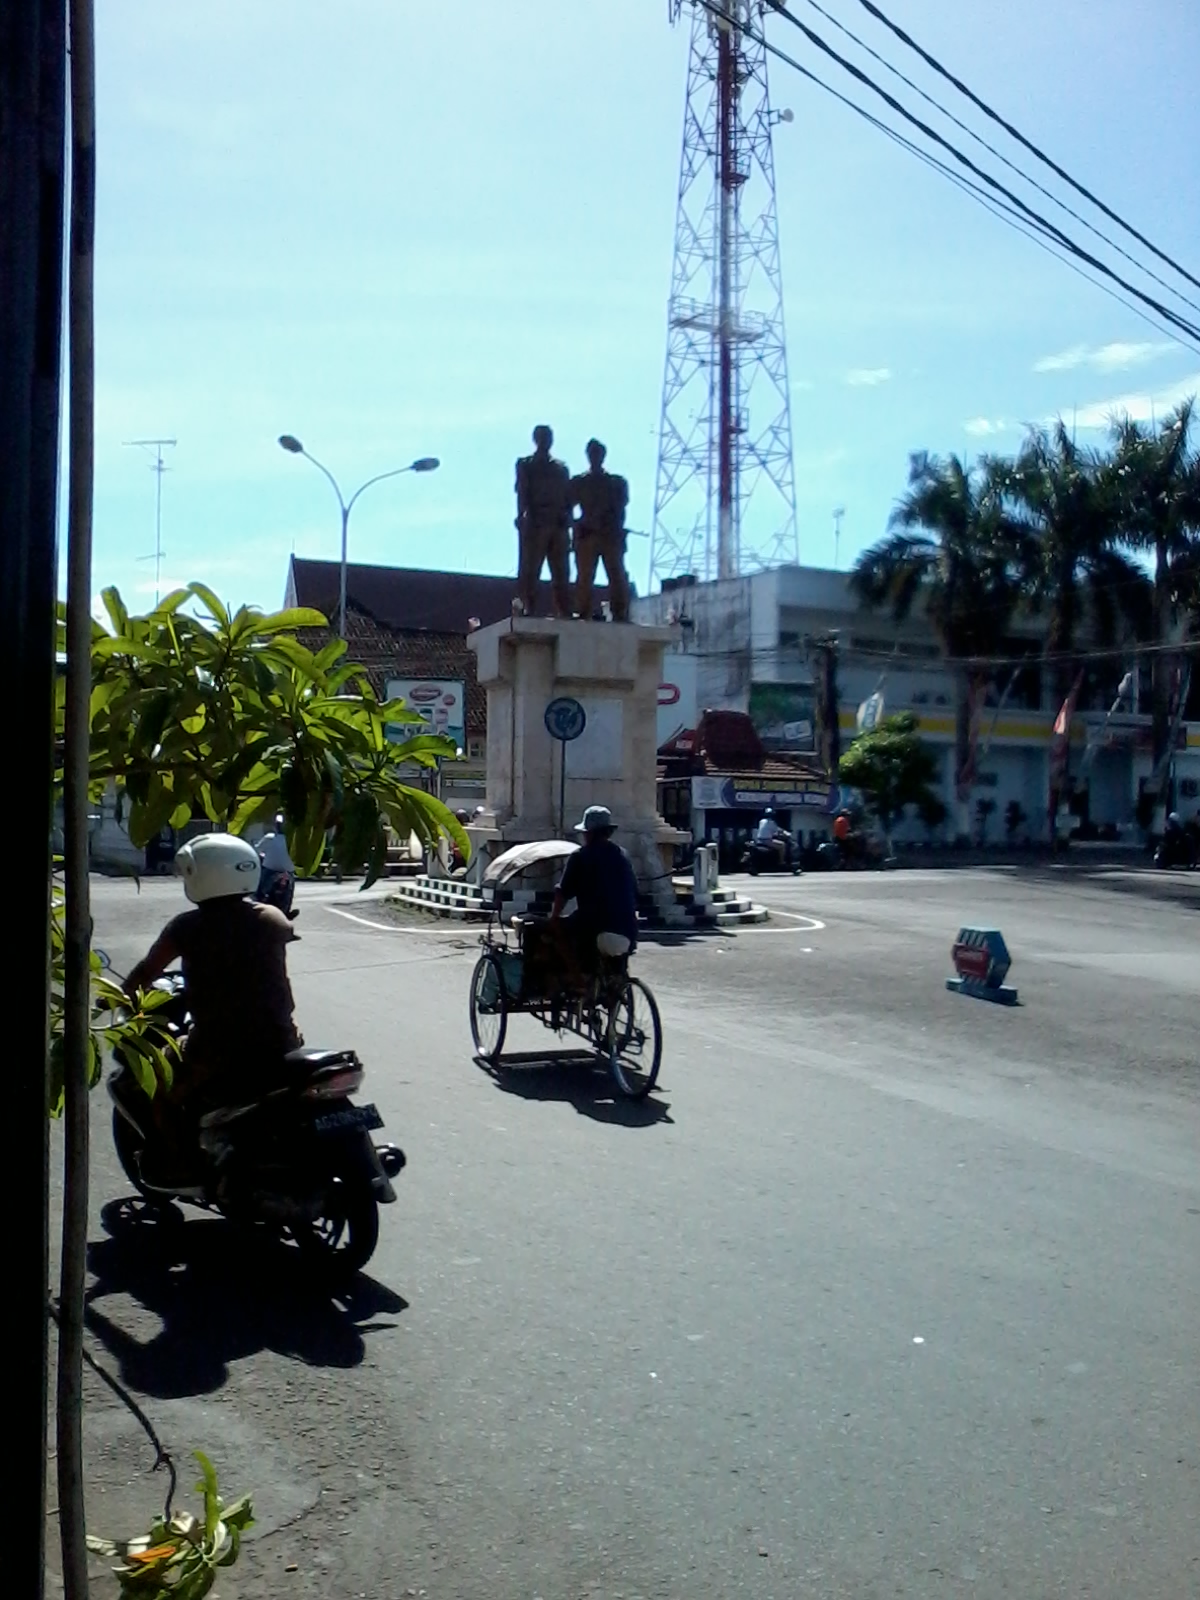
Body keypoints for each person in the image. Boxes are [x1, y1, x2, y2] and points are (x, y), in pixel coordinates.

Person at [124, 833, 303, 1183]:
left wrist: (118, 997)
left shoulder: (187, 927)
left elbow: (147, 972)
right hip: (280, 1042)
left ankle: (179, 1164)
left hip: (216, 1049)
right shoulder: (273, 919)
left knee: (159, 1087)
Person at [548, 805, 639, 986]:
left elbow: (563, 892)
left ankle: (578, 980)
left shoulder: (581, 856)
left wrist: (555, 917)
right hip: (628, 929)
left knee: (559, 933)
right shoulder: (623, 856)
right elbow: (635, 891)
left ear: (589, 833)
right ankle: (614, 986)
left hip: (594, 926)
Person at [569, 439, 630, 622]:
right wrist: (581, 523)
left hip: (609, 535)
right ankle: (583, 611)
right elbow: (566, 508)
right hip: (588, 535)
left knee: (617, 575)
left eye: (598, 453)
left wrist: (609, 524)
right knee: (585, 576)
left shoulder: (616, 482)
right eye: (592, 453)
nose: (595, 457)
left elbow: (621, 508)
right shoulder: (579, 482)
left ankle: (620, 612)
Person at [514, 424, 572, 618]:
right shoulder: (526, 464)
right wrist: (522, 515)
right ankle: (528, 606)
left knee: (561, 571)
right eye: (542, 437)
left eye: (548, 437)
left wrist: (567, 519)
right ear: (536, 440)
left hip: (557, 523)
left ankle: (563, 609)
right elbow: (522, 491)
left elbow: (568, 497)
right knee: (531, 570)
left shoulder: (561, 468)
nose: (546, 441)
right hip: (536, 521)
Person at [256, 813, 296, 915]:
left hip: (270, 869)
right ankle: (287, 912)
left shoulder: (269, 837)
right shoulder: (292, 840)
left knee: (259, 889)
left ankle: (257, 906)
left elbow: (257, 849)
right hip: (288, 870)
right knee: (290, 889)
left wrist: (262, 855)